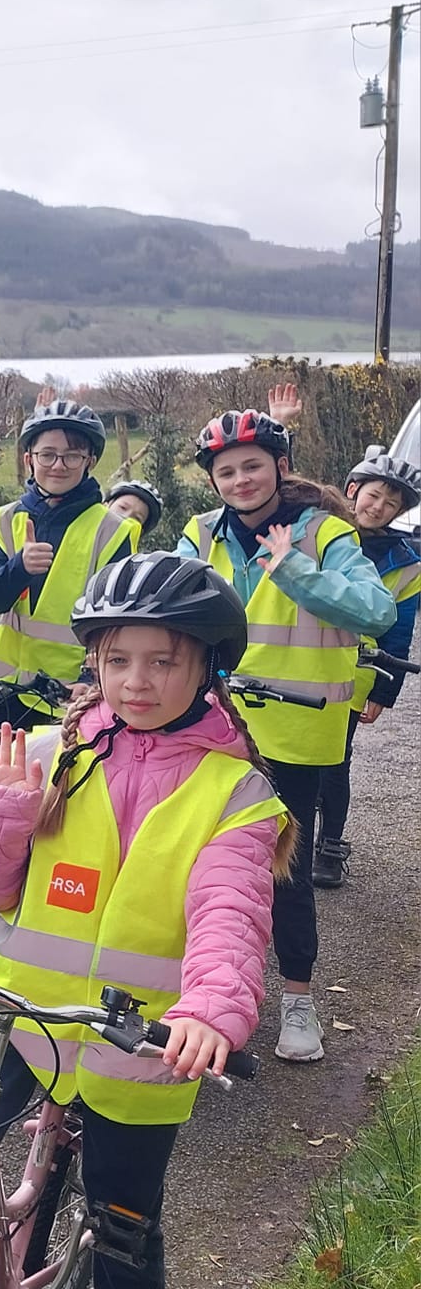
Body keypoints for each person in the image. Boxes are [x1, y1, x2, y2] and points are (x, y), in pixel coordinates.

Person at [0, 552, 288, 1289]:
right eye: (118, 658)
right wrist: (1, 809)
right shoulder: (53, 751)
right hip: (15, 1014)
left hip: (137, 1049)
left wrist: (209, 1011)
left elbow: (230, 914)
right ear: (94, 660)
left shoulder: (233, 793)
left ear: (208, 666)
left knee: (125, 1225)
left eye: (165, 660)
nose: (138, 680)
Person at [174, 409, 393, 1063]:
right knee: (196, 866)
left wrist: (292, 568)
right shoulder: (199, 533)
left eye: (252, 466)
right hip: (210, 729)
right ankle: (207, 1000)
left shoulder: (324, 531)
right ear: (213, 481)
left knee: (283, 875)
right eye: (226, 471)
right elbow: (171, 601)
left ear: (280, 467)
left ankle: (297, 999)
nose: (240, 479)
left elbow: (375, 611)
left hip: (295, 733)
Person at [0, 400, 138, 726]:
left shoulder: (112, 530)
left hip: (70, 695)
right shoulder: (4, 519)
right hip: (5, 690)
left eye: (72, 456)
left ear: (89, 461)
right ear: (29, 459)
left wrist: (92, 679)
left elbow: (116, 621)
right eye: (47, 455)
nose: (58, 465)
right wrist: (19, 568)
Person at [311, 452, 421, 887]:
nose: (377, 508)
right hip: (303, 660)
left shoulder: (406, 560)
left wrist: (382, 692)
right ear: (353, 491)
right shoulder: (318, 531)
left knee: (335, 764)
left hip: (353, 676)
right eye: (373, 496)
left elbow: (400, 629)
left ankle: (330, 847)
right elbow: (283, 496)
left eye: (389, 504)